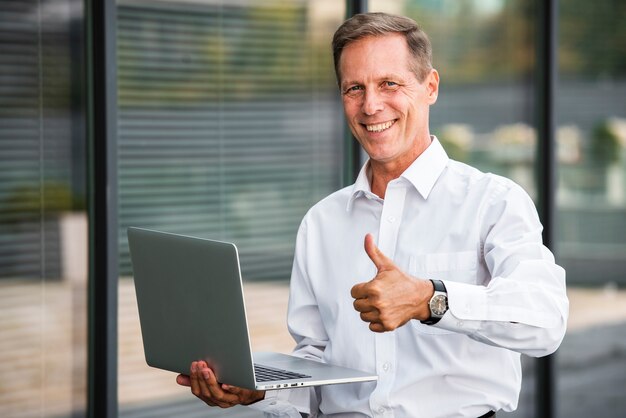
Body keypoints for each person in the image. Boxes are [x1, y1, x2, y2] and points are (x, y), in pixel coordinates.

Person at [176, 12, 569, 417]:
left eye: (390, 84)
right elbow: (316, 360)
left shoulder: (493, 201)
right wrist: (259, 391)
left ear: (430, 86)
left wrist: (429, 299)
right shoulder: (322, 222)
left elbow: (545, 321)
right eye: (354, 88)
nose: (371, 105)